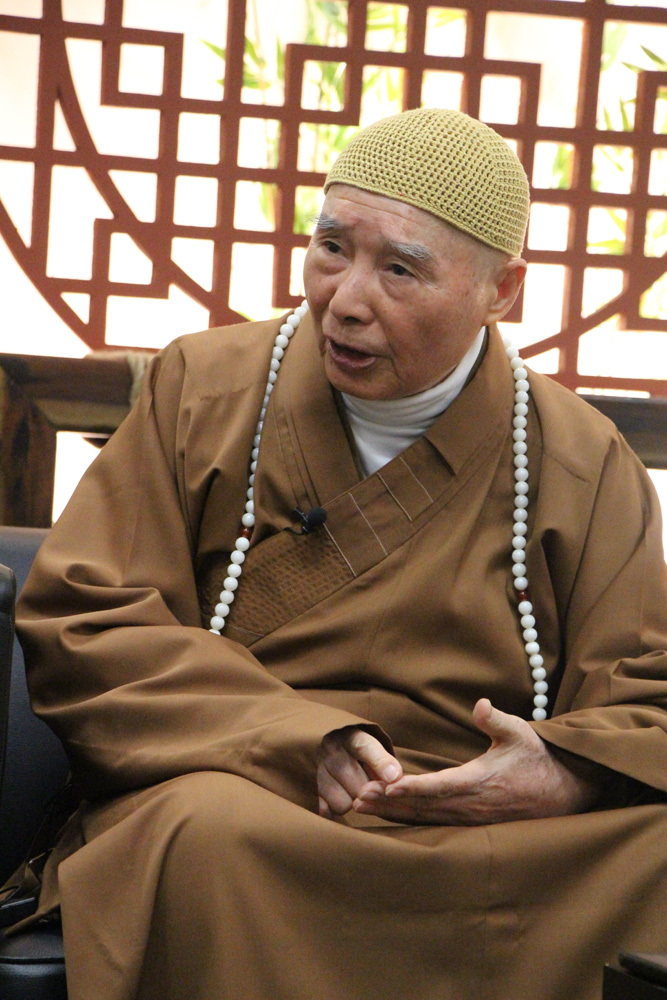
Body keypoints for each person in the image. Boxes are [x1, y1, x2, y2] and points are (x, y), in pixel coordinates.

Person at [11, 108, 667, 1000]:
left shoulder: (580, 459)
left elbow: (642, 695)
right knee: (201, 833)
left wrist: (559, 772)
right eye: (330, 248)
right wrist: (298, 739)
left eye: (399, 269)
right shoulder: (201, 389)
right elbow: (89, 620)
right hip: (252, 785)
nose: (347, 299)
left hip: (479, 822)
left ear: (500, 290)